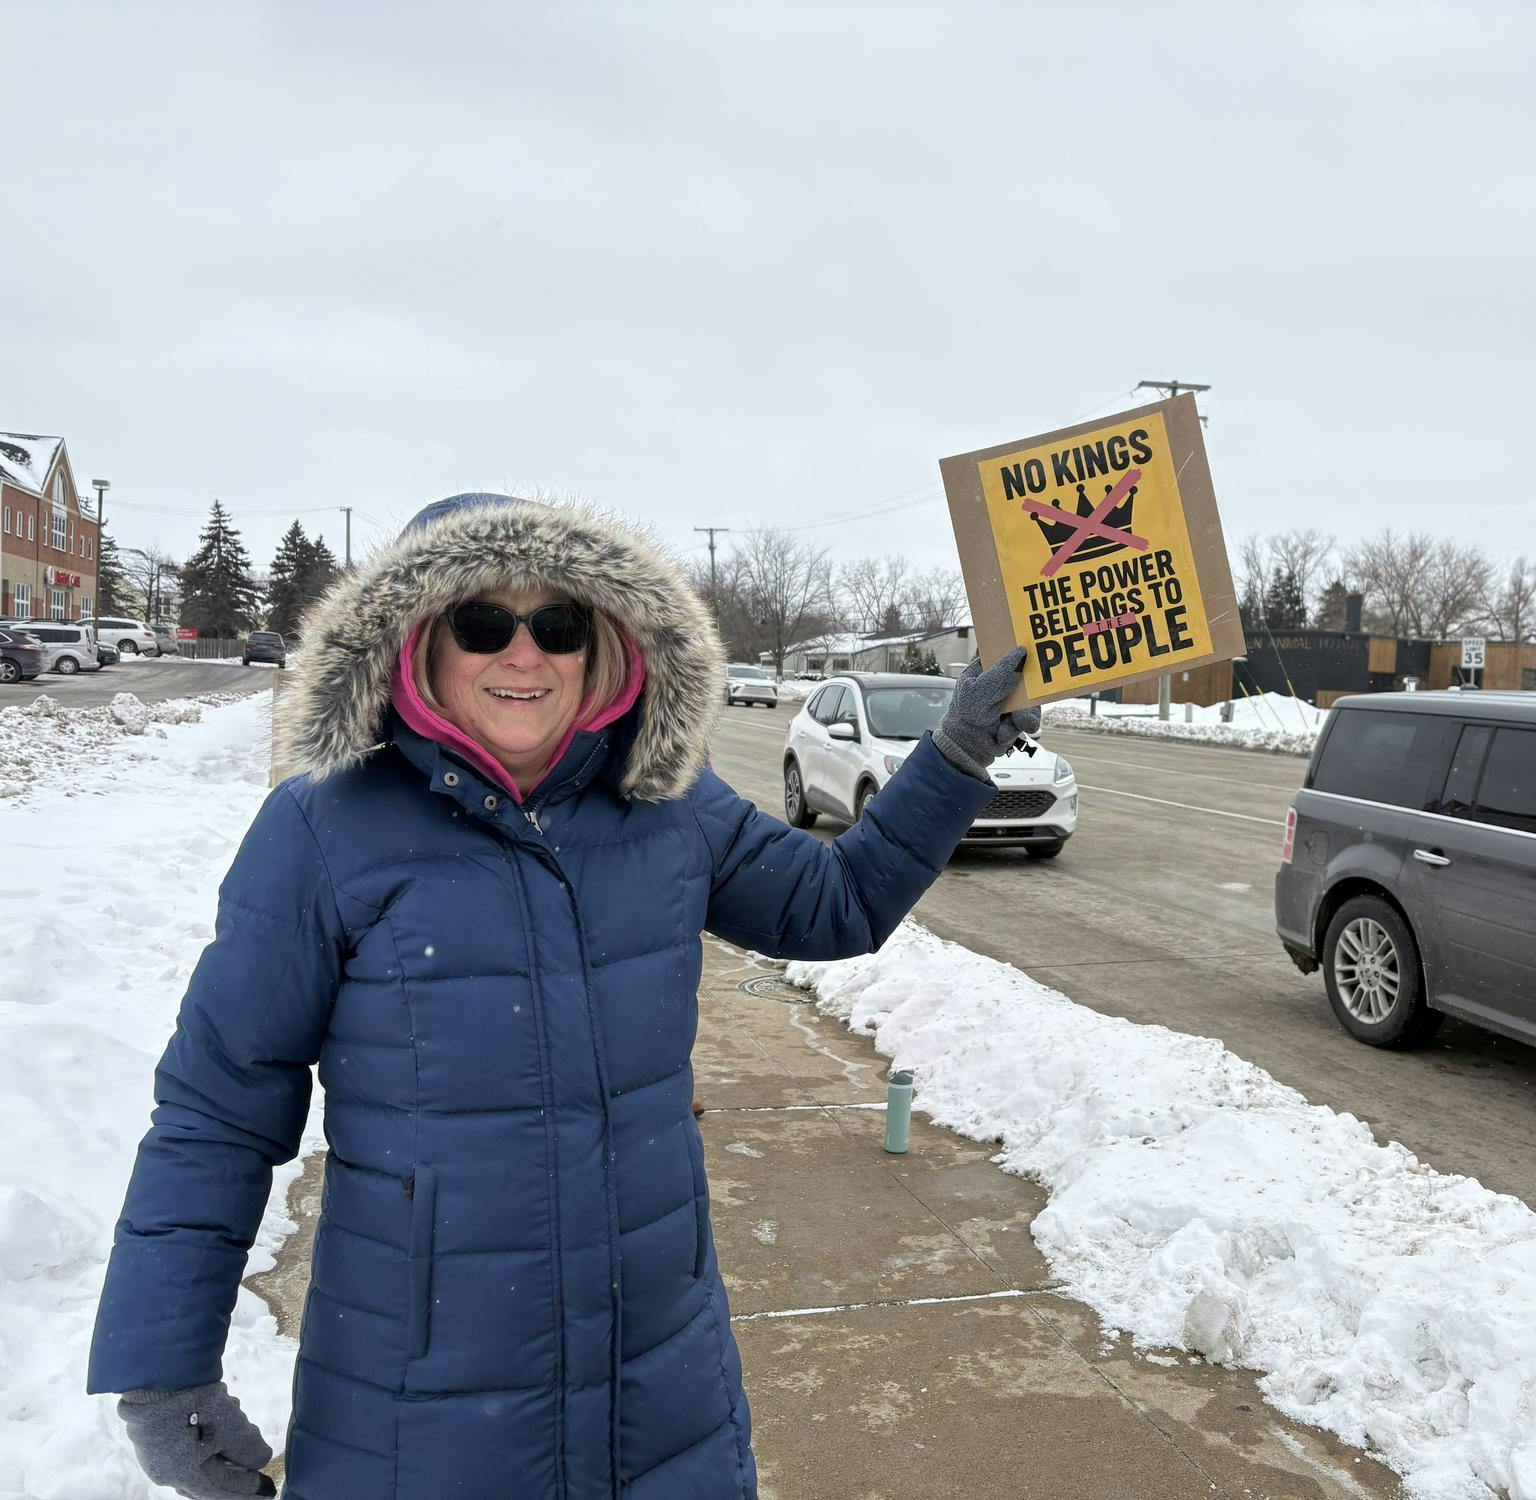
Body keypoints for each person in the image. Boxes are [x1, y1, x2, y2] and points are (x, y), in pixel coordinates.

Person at [87, 493, 1038, 1500]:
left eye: (558, 623)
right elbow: (219, 1108)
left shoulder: (671, 806)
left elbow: (837, 904)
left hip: (662, 1393)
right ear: (417, 640)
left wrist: (955, 755)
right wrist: (161, 1360)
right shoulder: (323, 828)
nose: (523, 655)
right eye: (482, 622)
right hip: (420, 1411)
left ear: (604, 643)